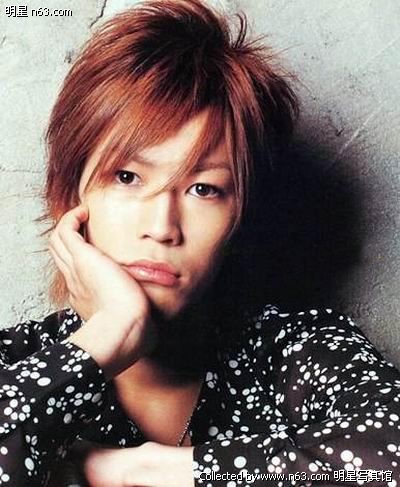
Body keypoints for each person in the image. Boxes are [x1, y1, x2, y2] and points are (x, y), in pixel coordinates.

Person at [1, 0, 399, 486]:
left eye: (204, 189)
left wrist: (130, 470)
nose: (163, 227)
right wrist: (112, 333)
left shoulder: (292, 348)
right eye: (127, 177)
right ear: (70, 196)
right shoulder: (19, 362)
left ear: (239, 217)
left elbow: (388, 463)